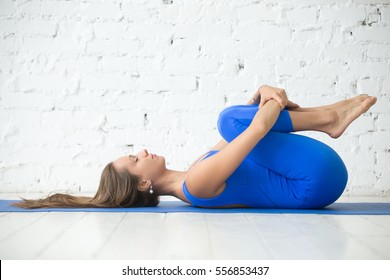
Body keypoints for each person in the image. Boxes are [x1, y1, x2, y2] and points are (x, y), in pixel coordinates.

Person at [13, 85, 377, 209]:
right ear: (142, 184)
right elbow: (253, 128)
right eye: (134, 159)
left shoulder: (197, 167)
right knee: (229, 120)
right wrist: (269, 91)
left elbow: (253, 124)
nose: (141, 151)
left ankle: (328, 118)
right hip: (312, 182)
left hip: (315, 177)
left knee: (233, 121)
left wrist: (262, 96)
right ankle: (328, 119)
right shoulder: (196, 185)